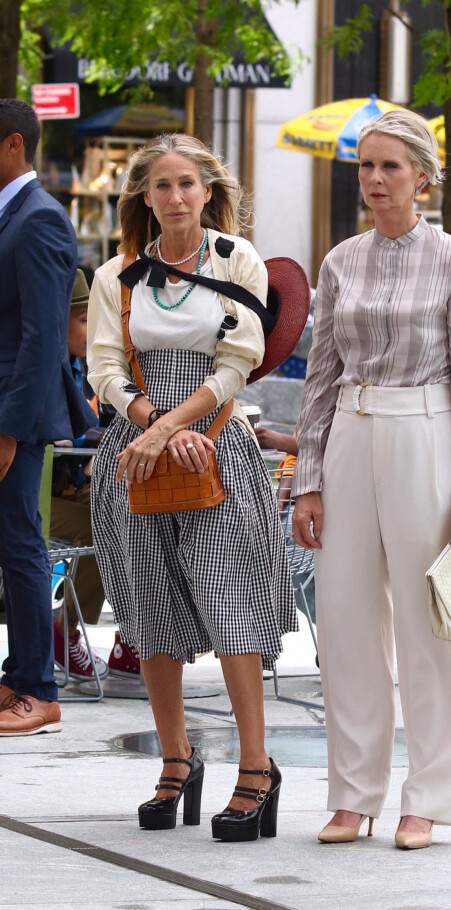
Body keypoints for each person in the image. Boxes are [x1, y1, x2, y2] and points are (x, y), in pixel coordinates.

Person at [86, 133, 297, 838]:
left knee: (228, 598)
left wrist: (177, 429)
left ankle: (257, 770)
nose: (175, 197)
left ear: (209, 192)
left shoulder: (240, 262)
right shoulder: (118, 273)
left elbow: (240, 360)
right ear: (144, 196)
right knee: (149, 608)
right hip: (136, 449)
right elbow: (106, 367)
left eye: (188, 184)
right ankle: (176, 760)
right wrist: (148, 425)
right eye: (162, 185)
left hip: (214, 440)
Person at [292, 109, 451, 849]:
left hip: (427, 434)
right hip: (348, 433)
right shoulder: (340, 261)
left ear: (423, 178)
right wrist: (308, 479)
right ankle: (354, 793)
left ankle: (429, 798)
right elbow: (320, 377)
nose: (374, 181)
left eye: (390, 168)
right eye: (365, 168)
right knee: (343, 622)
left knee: (432, 624)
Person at [0, 99, 95, 736]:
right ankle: (17, 679)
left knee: (20, 544)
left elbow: (42, 337)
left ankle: (38, 688)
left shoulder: (38, 220)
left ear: (12, 145)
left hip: (14, 414)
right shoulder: (14, 216)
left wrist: (9, 428)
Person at [51, 269, 140, 680]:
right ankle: (65, 628)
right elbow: (69, 429)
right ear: (57, 319)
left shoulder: (78, 365)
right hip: (35, 493)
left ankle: (136, 637)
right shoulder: (49, 369)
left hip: (66, 487)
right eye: (85, 320)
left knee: (137, 512)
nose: (93, 330)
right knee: (101, 524)